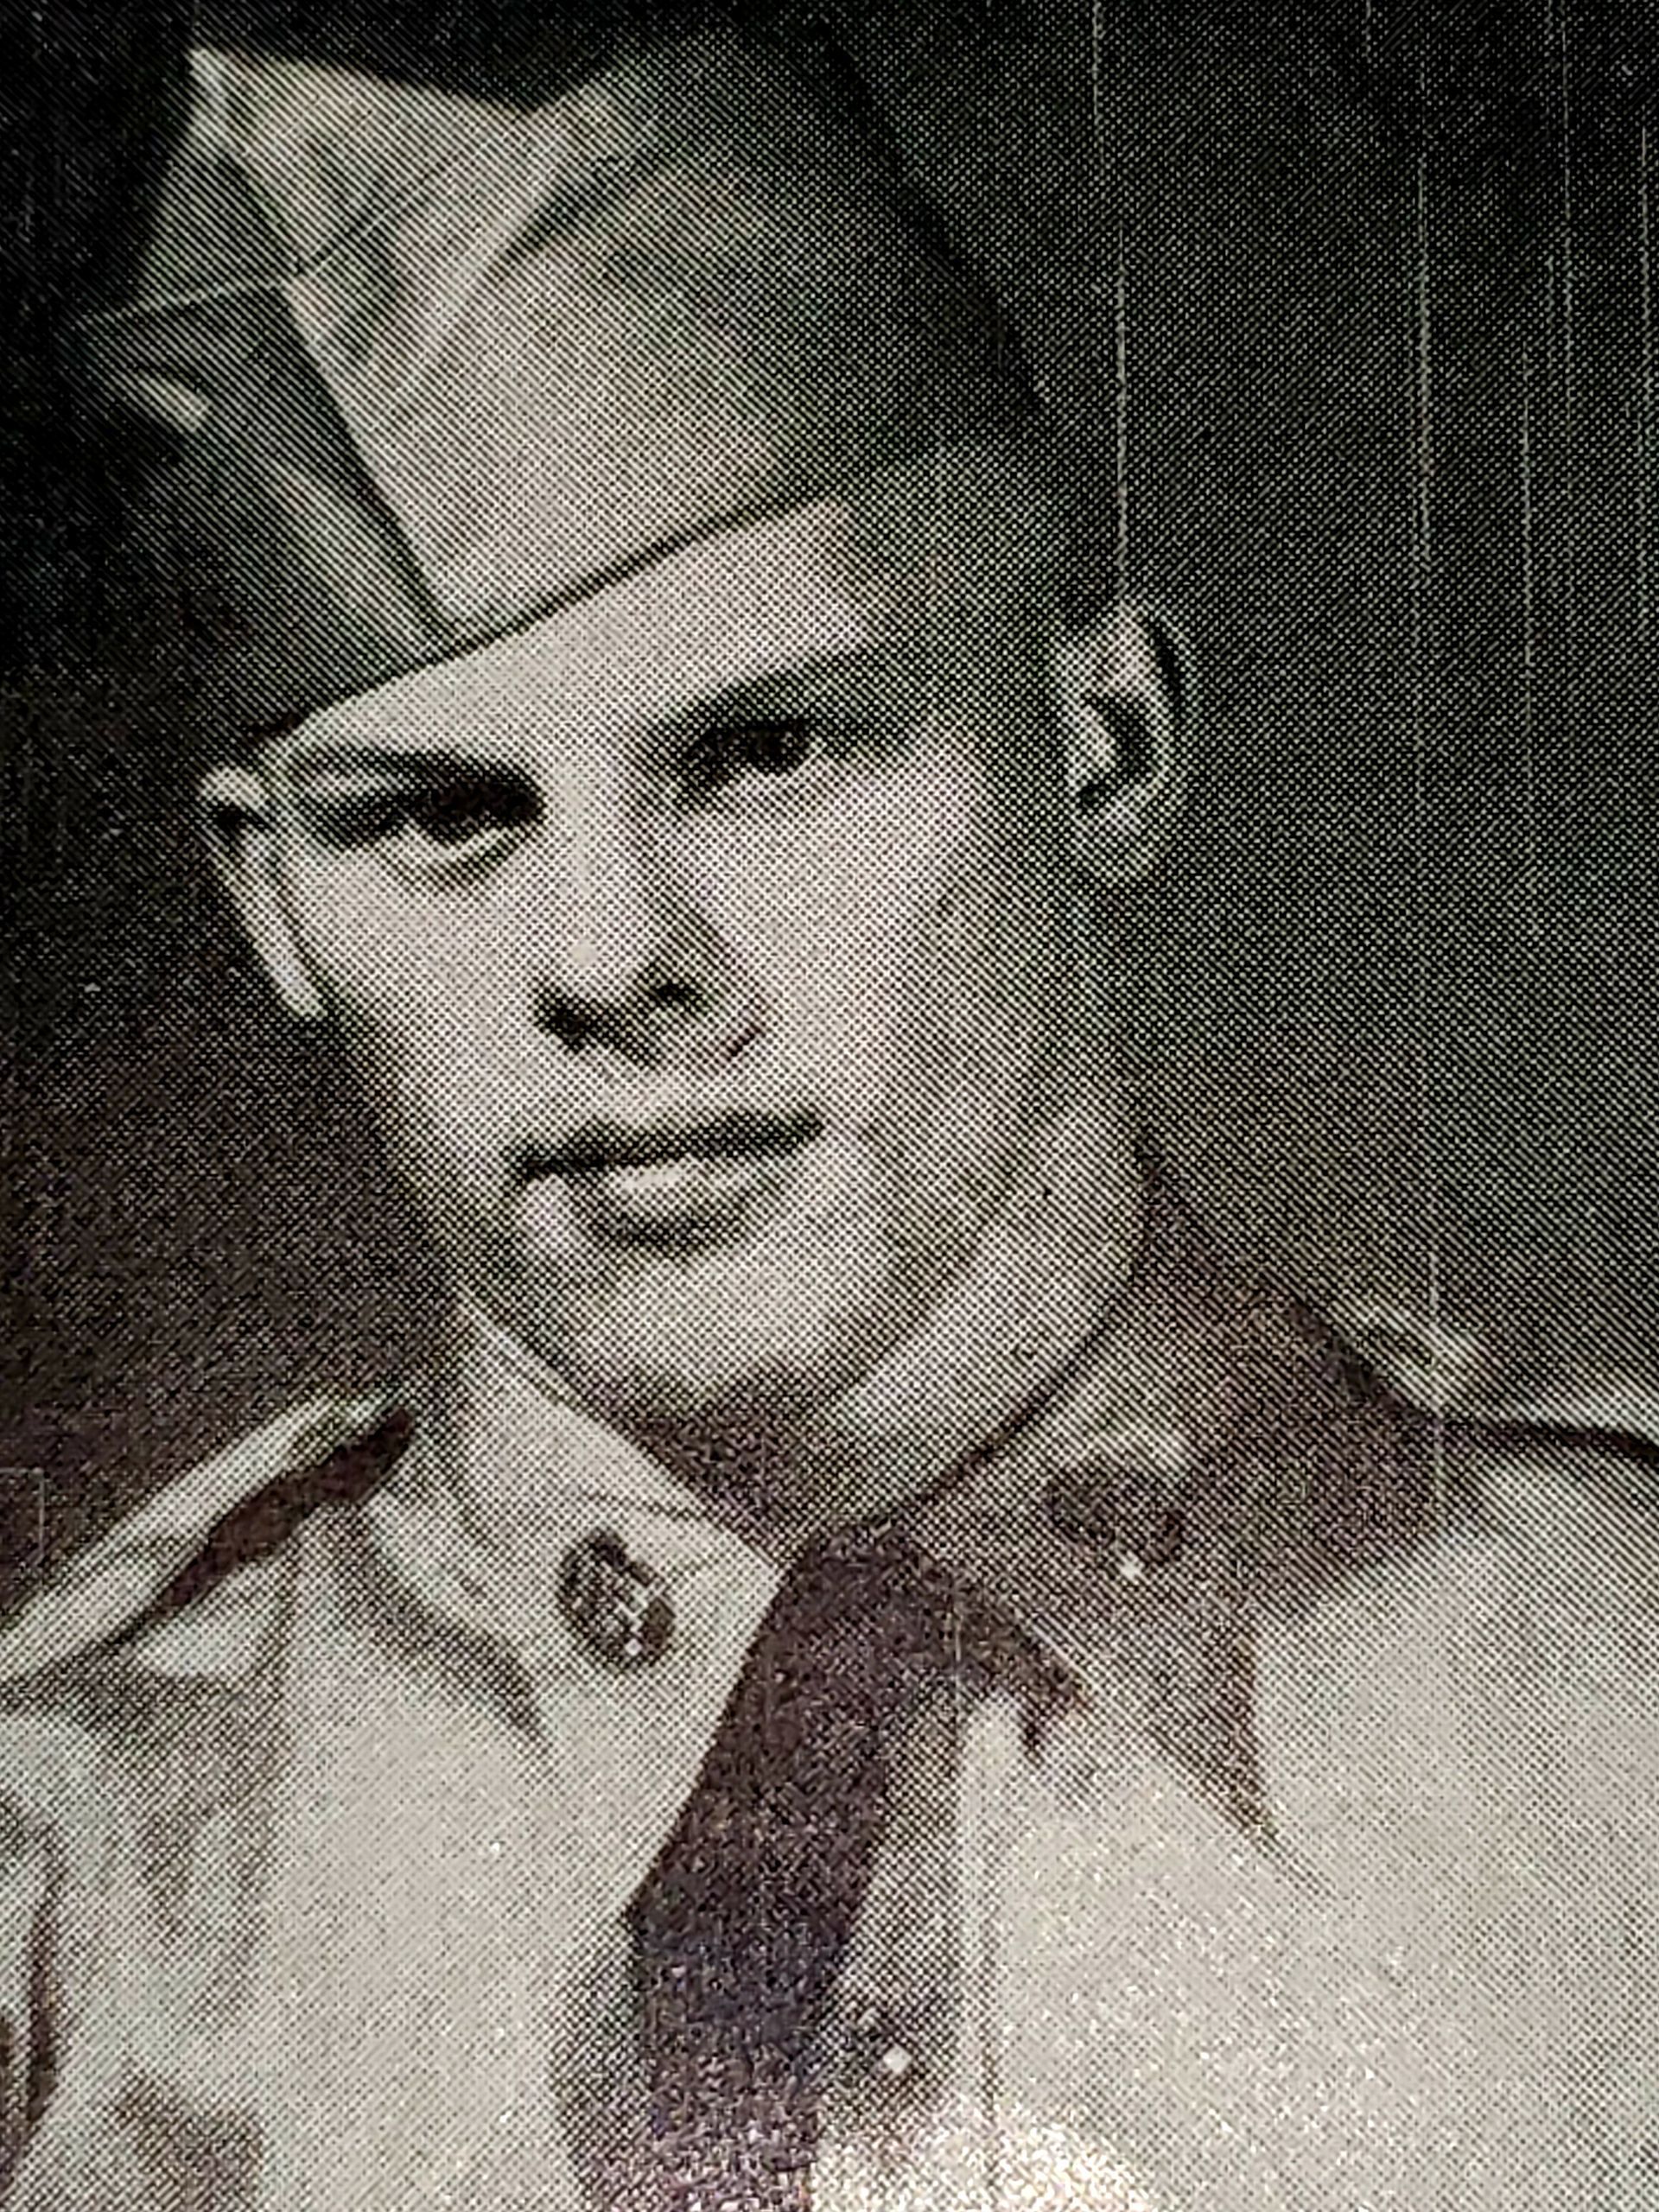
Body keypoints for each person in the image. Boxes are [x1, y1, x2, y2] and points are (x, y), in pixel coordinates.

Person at [3, 12, 1656, 2209]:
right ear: (273, 897)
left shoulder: (1623, 1704)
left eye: (769, 751)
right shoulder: (60, 1866)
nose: (609, 954)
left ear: (1105, 748)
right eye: (439, 816)